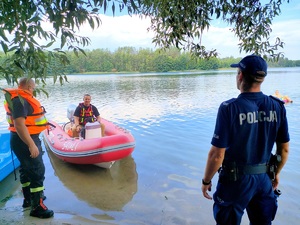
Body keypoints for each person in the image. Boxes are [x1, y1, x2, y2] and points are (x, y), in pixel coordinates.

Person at [201, 55, 290, 225]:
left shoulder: (229, 108)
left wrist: (206, 180)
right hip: (264, 179)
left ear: (240, 76)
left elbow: (216, 155)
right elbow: (284, 150)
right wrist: (276, 172)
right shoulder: (277, 106)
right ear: (262, 78)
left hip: (235, 181)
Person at [3, 77, 54, 218]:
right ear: (29, 87)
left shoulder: (18, 98)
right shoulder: (21, 100)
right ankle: (37, 207)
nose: (34, 90)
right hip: (25, 140)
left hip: (21, 139)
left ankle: (28, 199)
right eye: (33, 88)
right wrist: (31, 144)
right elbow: (19, 124)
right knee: (37, 171)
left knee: (26, 169)